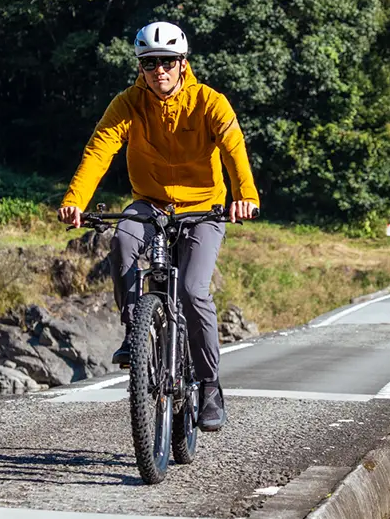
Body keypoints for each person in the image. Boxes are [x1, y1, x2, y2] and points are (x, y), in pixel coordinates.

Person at [58, 21, 260, 431]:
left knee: (191, 290)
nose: (159, 71)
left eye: (167, 62)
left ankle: (208, 385)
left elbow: (233, 147)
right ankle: (135, 329)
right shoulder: (128, 104)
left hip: (204, 210)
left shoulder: (210, 102)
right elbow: (99, 150)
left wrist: (246, 196)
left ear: (183, 64)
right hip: (150, 204)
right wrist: (75, 201)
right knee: (122, 240)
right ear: (141, 67)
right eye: (150, 63)